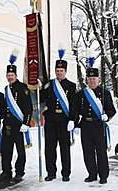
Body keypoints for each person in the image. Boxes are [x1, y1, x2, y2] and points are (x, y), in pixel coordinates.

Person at [75, 61, 116, 184]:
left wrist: (106, 116)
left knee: (101, 152)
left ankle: (103, 175)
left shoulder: (105, 93)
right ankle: (92, 174)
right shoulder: (81, 94)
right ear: (86, 80)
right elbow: (76, 110)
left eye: (94, 78)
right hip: (86, 126)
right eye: (90, 79)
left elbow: (111, 110)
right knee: (87, 152)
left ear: (98, 80)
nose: (92, 81)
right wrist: (76, 125)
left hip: (99, 126)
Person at [40, 50, 76, 182]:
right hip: (50, 121)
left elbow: (73, 105)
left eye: (61, 70)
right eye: (57, 70)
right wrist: (40, 88)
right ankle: (51, 172)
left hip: (64, 121)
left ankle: (66, 173)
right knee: (49, 148)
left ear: (65, 71)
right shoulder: (49, 84)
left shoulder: (71, 86)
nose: (59, 72)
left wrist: (72, 119)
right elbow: (42, 99)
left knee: (64, 149)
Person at [0, 53, 33, 182]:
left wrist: (26, 123)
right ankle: (6, 171)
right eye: (8, 75)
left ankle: (19, 171)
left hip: (19, 125)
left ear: (16, 76)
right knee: (6, 150)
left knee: (20, 151)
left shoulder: (23, 88)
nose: (10, 77)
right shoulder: (6, 88)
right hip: (7, 124)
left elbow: (28, 107)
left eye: (12, 75)